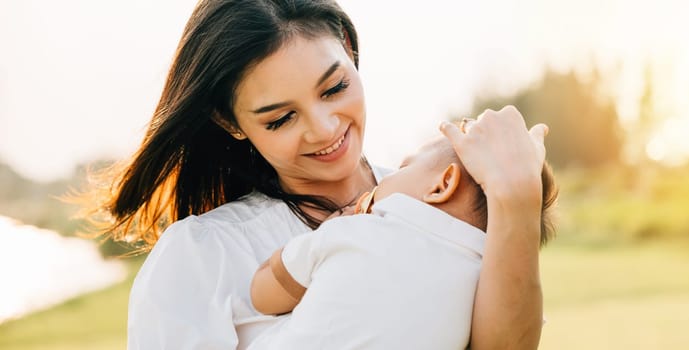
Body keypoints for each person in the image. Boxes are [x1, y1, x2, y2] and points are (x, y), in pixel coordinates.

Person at [81, 1, 549, 349]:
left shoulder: (454, 218)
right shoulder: (204, 255)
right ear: (229, 122)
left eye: (335, 87)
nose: (324, 129)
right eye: (280, 119)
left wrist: (517, 195)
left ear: (348, 49)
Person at [247, 135, 558, 349]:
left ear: (442, 185)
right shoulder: (488, 293)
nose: (383, 179)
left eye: (405, 167)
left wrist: (327, 230)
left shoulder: (356, 231)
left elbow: (264, 293)